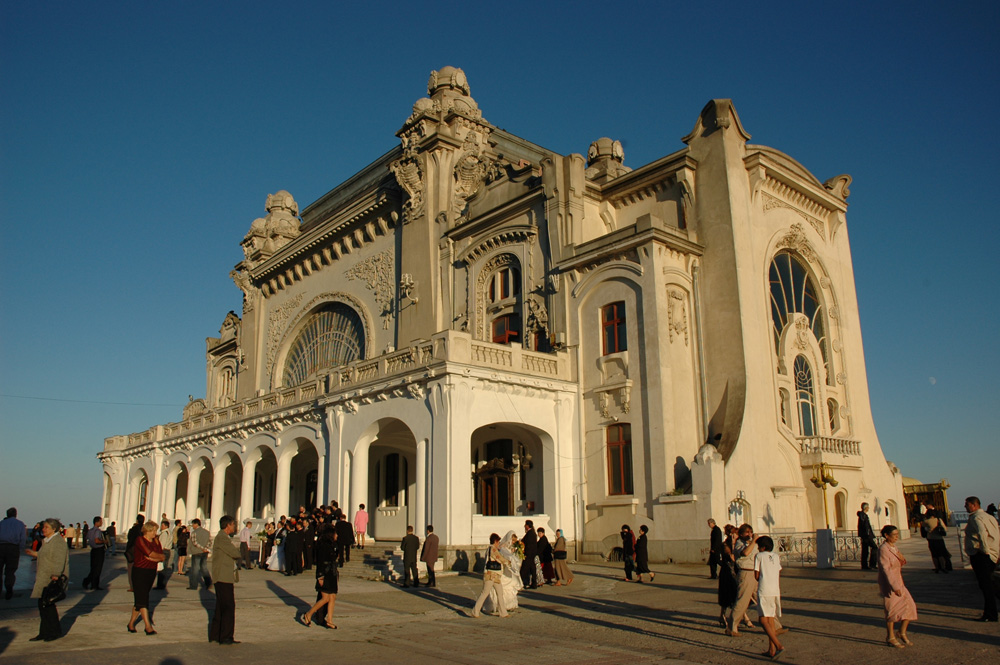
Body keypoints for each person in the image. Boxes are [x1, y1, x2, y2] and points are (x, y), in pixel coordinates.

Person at [26, 518, 69, 641]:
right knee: (43, 606)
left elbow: (59, 559)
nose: (43, 529)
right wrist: (34, 553)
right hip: (44, 577)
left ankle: (53, 632)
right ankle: (44, 632)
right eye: (43, 527)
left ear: (54, 529)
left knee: (48, 606)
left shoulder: (58, 542)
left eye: (46, 527)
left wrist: (56, 574)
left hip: (51, 578)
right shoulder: (47, 541)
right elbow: (45, 554)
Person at [878, 525, 917, 647]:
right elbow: (886, 569)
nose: (896, 537)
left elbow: (899, 562)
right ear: (886, 535)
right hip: (890, 583)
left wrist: (901, 559)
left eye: (897, 534)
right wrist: (895, 586)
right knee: (892, 610)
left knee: (910, 606)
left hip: (899, 581)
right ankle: (890, 636)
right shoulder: (884, 549)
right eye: (894, 535)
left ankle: (902, 632)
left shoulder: (893, 547)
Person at [963, 496, 999, 622]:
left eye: (966, 505)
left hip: (981, 556)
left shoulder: (976, 518)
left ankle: (990, 614)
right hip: (992, 554)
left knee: (986, 586)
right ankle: (990, 612)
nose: (965, 507)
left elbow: (982, 533)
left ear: (974, 505)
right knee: (988, 585)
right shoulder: (990, 517)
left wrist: (985, 551)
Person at [210, 515, 242, 645]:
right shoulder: (222, 538)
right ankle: (226, 636)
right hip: (223, 577)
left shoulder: (222, 538)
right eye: (233, 525)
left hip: (223, 577)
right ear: (228, 525)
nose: (234, 527)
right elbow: (235, 553)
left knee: (221, 607)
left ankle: (216, 634)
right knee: (228, 607)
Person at [128, 522, 164, 635]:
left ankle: (131, 623)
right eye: (153, 530)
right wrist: (154, 557)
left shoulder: (155, 541)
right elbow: (150, 553)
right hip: (140, 572)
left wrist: (154, 558)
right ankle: (148, 626)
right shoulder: (140, 540)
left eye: (155, 530)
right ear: (147, 530)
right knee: (143, 599)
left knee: (140, 599)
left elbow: (161, 556)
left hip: (151, 572)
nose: (155, 533)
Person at [300, 525, 338, 628]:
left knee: (333, 597)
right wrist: (320, 576)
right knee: (325, 598)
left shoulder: (332, 545)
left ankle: (329, 619)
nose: (337, 535)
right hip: (324, 573)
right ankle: (309, 614)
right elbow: (320, 562)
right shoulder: (322, 545)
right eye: (335, 534)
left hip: (332, 573)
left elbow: (335, 558)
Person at [754, 536, 784, 659]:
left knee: (762, 620)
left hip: (764, 590)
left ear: (763, 547)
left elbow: (756, 574)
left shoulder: (759, 556)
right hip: (775, 590)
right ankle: (771, 649)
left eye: (759, 546)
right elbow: (778, 570)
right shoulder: (776, 556)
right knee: (770, 619)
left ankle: (778, 645)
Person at [471, 533, 508, 618]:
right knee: (485, 593)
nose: (498, 542)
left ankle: (503, 612)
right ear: (495, 541)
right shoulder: (493, 549)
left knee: (500, 592)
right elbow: (499, 558)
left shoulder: (493, 548)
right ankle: (475, 611)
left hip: (495, 575)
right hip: (490, 575)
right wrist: (508, 562)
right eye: (498, 541)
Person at [1, 507, 26, 600]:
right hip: (13, 547)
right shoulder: (20, 524)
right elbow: (22, 538)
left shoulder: (1, 523)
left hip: (1, 546)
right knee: (10, 571)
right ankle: (9, 588)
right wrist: (20, 548)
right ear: (15, 514)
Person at [716, 538, 738, 628]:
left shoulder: (735, 548)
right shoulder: (726, 548)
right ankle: (741, 618)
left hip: (732, 575)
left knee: (734, 596)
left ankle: (722, 616)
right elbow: (720, 559)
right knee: (729, 596)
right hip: (727, 575)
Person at [921, 509, 952, 573]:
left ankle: (937, 567)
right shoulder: (938, 520)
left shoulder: (926, 521)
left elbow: (922, 528)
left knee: (934, 554)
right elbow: (945, 528)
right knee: (941, 554)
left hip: (931, 539)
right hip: (939, 539)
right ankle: (943, 567)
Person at [82, 516, 106, 591]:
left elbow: (87, 538)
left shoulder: (91, 530)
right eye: (101, 521)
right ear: (97, 522)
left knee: (93, 568)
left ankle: (91, 583)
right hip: (99, 550)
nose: (101, 523)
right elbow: (97, 541)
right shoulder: (97, 531)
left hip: (93, 550)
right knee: (98, 568)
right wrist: (104, 541)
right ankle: (92, 583)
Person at [187, 519, 212, 590]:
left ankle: (193, 585)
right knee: (204, 567)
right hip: (204, 553)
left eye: (193, 524)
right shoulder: (207, 532)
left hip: (197, 552)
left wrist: (202, 548)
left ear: (196, 524)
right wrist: (205, 548)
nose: (192, 526)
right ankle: (208, 583)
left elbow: (195, 543)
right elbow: (210, 542)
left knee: (195, 569)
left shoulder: (194, 532)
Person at [124, 513, 145, 591]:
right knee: (141, 569)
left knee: (131, 570)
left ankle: (132, 586)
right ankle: (140, 585)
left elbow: (130, 539)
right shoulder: (145, 530)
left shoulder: (133, 529)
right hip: (142, 552)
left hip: (133, 552)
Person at [858, 502, 878, 571]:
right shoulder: (863, 516)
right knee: (875, 548)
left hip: (865, 536)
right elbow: (865, 527)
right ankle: (872, 564)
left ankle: (865, 565)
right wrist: (868, 535)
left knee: (865, 550)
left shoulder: (863, 515)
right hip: (866, 536)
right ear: (866, 508)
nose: (868, 508)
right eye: (868, 507)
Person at [155, 520, 173, 590]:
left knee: (162, 569)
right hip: (167, 551)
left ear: (166, 526)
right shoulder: (169, 532)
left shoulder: (164, 533)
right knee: (164, 568)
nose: (161, 527)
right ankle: (162, 584)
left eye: (162, 525)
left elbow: (161, 544)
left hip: (164, 551)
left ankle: (161, 584)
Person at [521, 520, 539, 589]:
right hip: (532, 554)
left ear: (527, 526)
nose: (524, 526)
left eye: (525, 525)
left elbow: (528, 544)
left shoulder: (530, 533)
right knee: (532, 568)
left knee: (524, 569)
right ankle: (534, 583)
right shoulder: (532, 533)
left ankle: (520, 582)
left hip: (529, 554)